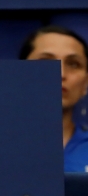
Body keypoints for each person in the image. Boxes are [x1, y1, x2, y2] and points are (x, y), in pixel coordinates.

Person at [20, 26, 88, 173]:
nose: (61, 73)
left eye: (73, 64)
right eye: (45, 62)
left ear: (86, 84)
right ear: (20, 74)